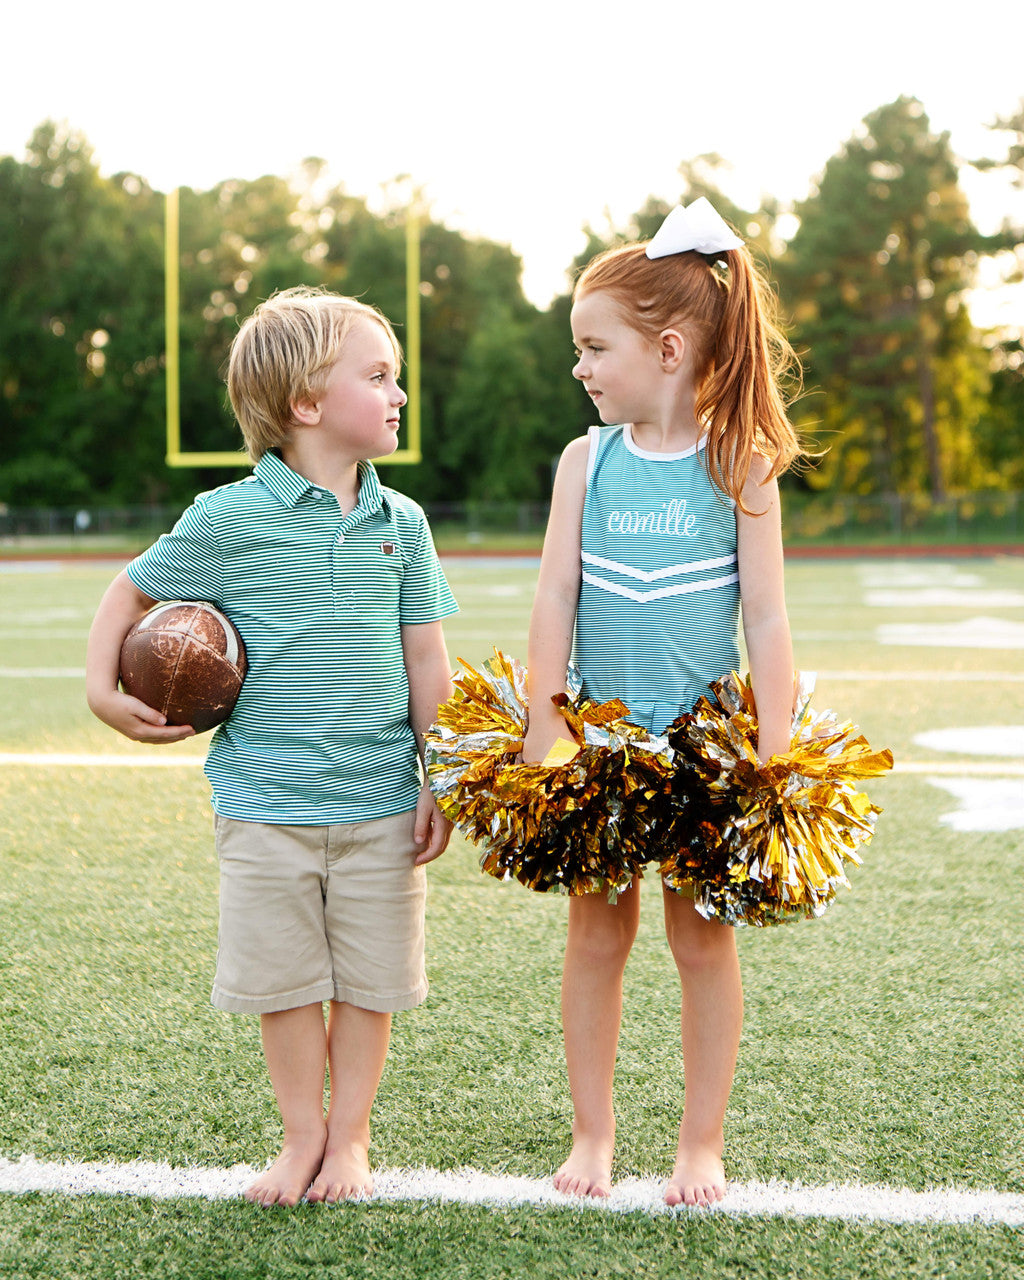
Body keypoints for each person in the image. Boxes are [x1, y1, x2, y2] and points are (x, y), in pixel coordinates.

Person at [86, 287, 458, 1208]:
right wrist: (102, 691)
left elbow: (426, 659)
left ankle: (352, 1138)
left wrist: (440, 776)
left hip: (379, 800)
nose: (398, 393)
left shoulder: (399, 524)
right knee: (285, 982)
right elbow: (127, 595)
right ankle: (301, 1138)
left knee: (369, 980)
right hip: (264, 805)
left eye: (396, 377)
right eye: (378, 376)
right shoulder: (227, 518)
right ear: (305, 403)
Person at [522, 199, 804, 1208]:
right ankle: (592, 1132)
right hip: (602, 743)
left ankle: (700, 1143)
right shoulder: (583, 462)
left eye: (595, 346)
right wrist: (542, 723)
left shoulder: (740, 464)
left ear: (670, 348)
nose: (581, 367)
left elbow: (766, 620)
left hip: (702, 753)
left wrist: (773, 756)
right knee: (597, 934)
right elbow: (555, 592)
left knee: (700, 936)